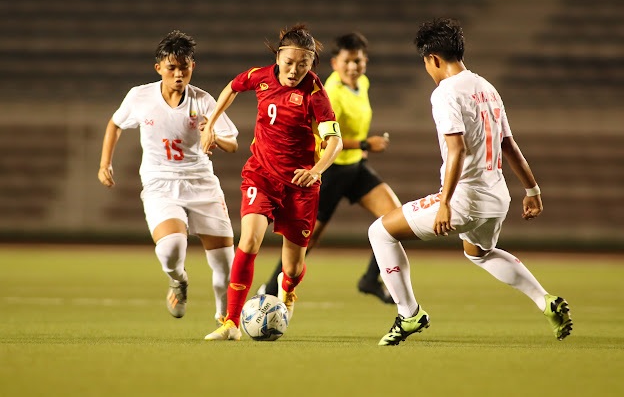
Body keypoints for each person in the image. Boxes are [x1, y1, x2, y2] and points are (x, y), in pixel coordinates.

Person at [368, 18, 573, 346]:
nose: (428, 71)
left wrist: (445, 204)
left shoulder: (445, 92)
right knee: (479, 252)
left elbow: (457, 148)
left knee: (379, 232)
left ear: (433, 58)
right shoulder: (486, 87)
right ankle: (543, 299)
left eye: (426, 64)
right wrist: (532, 189)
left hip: (465, 198)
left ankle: (409, 315)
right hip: (498, 198)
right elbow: (509, 145)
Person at [202, 24, 343, 341]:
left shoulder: (315, 93)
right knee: (249, 241)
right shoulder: (260, 76)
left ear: (311, 64)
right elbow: (232, 87)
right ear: (278, 57)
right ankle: (231, 323)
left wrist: (317, 169)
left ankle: (288, 290)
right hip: (261, 175)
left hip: (300, 186)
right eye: (289, 62)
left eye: (303, 64)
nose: (295, 70)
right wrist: (210, 124)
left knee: (291, 268)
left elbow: (335, 140)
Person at [98, 30, 239, 324]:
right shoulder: (141, 97)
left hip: (202, 184)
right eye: (171, 67)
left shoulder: (202, 101)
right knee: (172, 249)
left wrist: (211, 134)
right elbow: (115, 124)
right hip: (160, 184)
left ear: (192, 67)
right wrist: (104, 164)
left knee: (225, 265)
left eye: (183, 67)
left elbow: (232, 143)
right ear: (159, 68)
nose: (178, 74)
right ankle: (179, 280)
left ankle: (224, 319)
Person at [259, 32, 400, 304]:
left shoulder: (363, 84)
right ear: (335, 63)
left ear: (365, 62)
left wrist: (362, 150)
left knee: (395, 218)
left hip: (356, 168)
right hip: (330, 172)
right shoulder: (330, 92)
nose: (353, 67)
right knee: (305, 242)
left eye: (357, 61)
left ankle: (370, 279)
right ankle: (269, 290)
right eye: (347, 61)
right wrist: (365, 144)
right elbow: (325, 138)